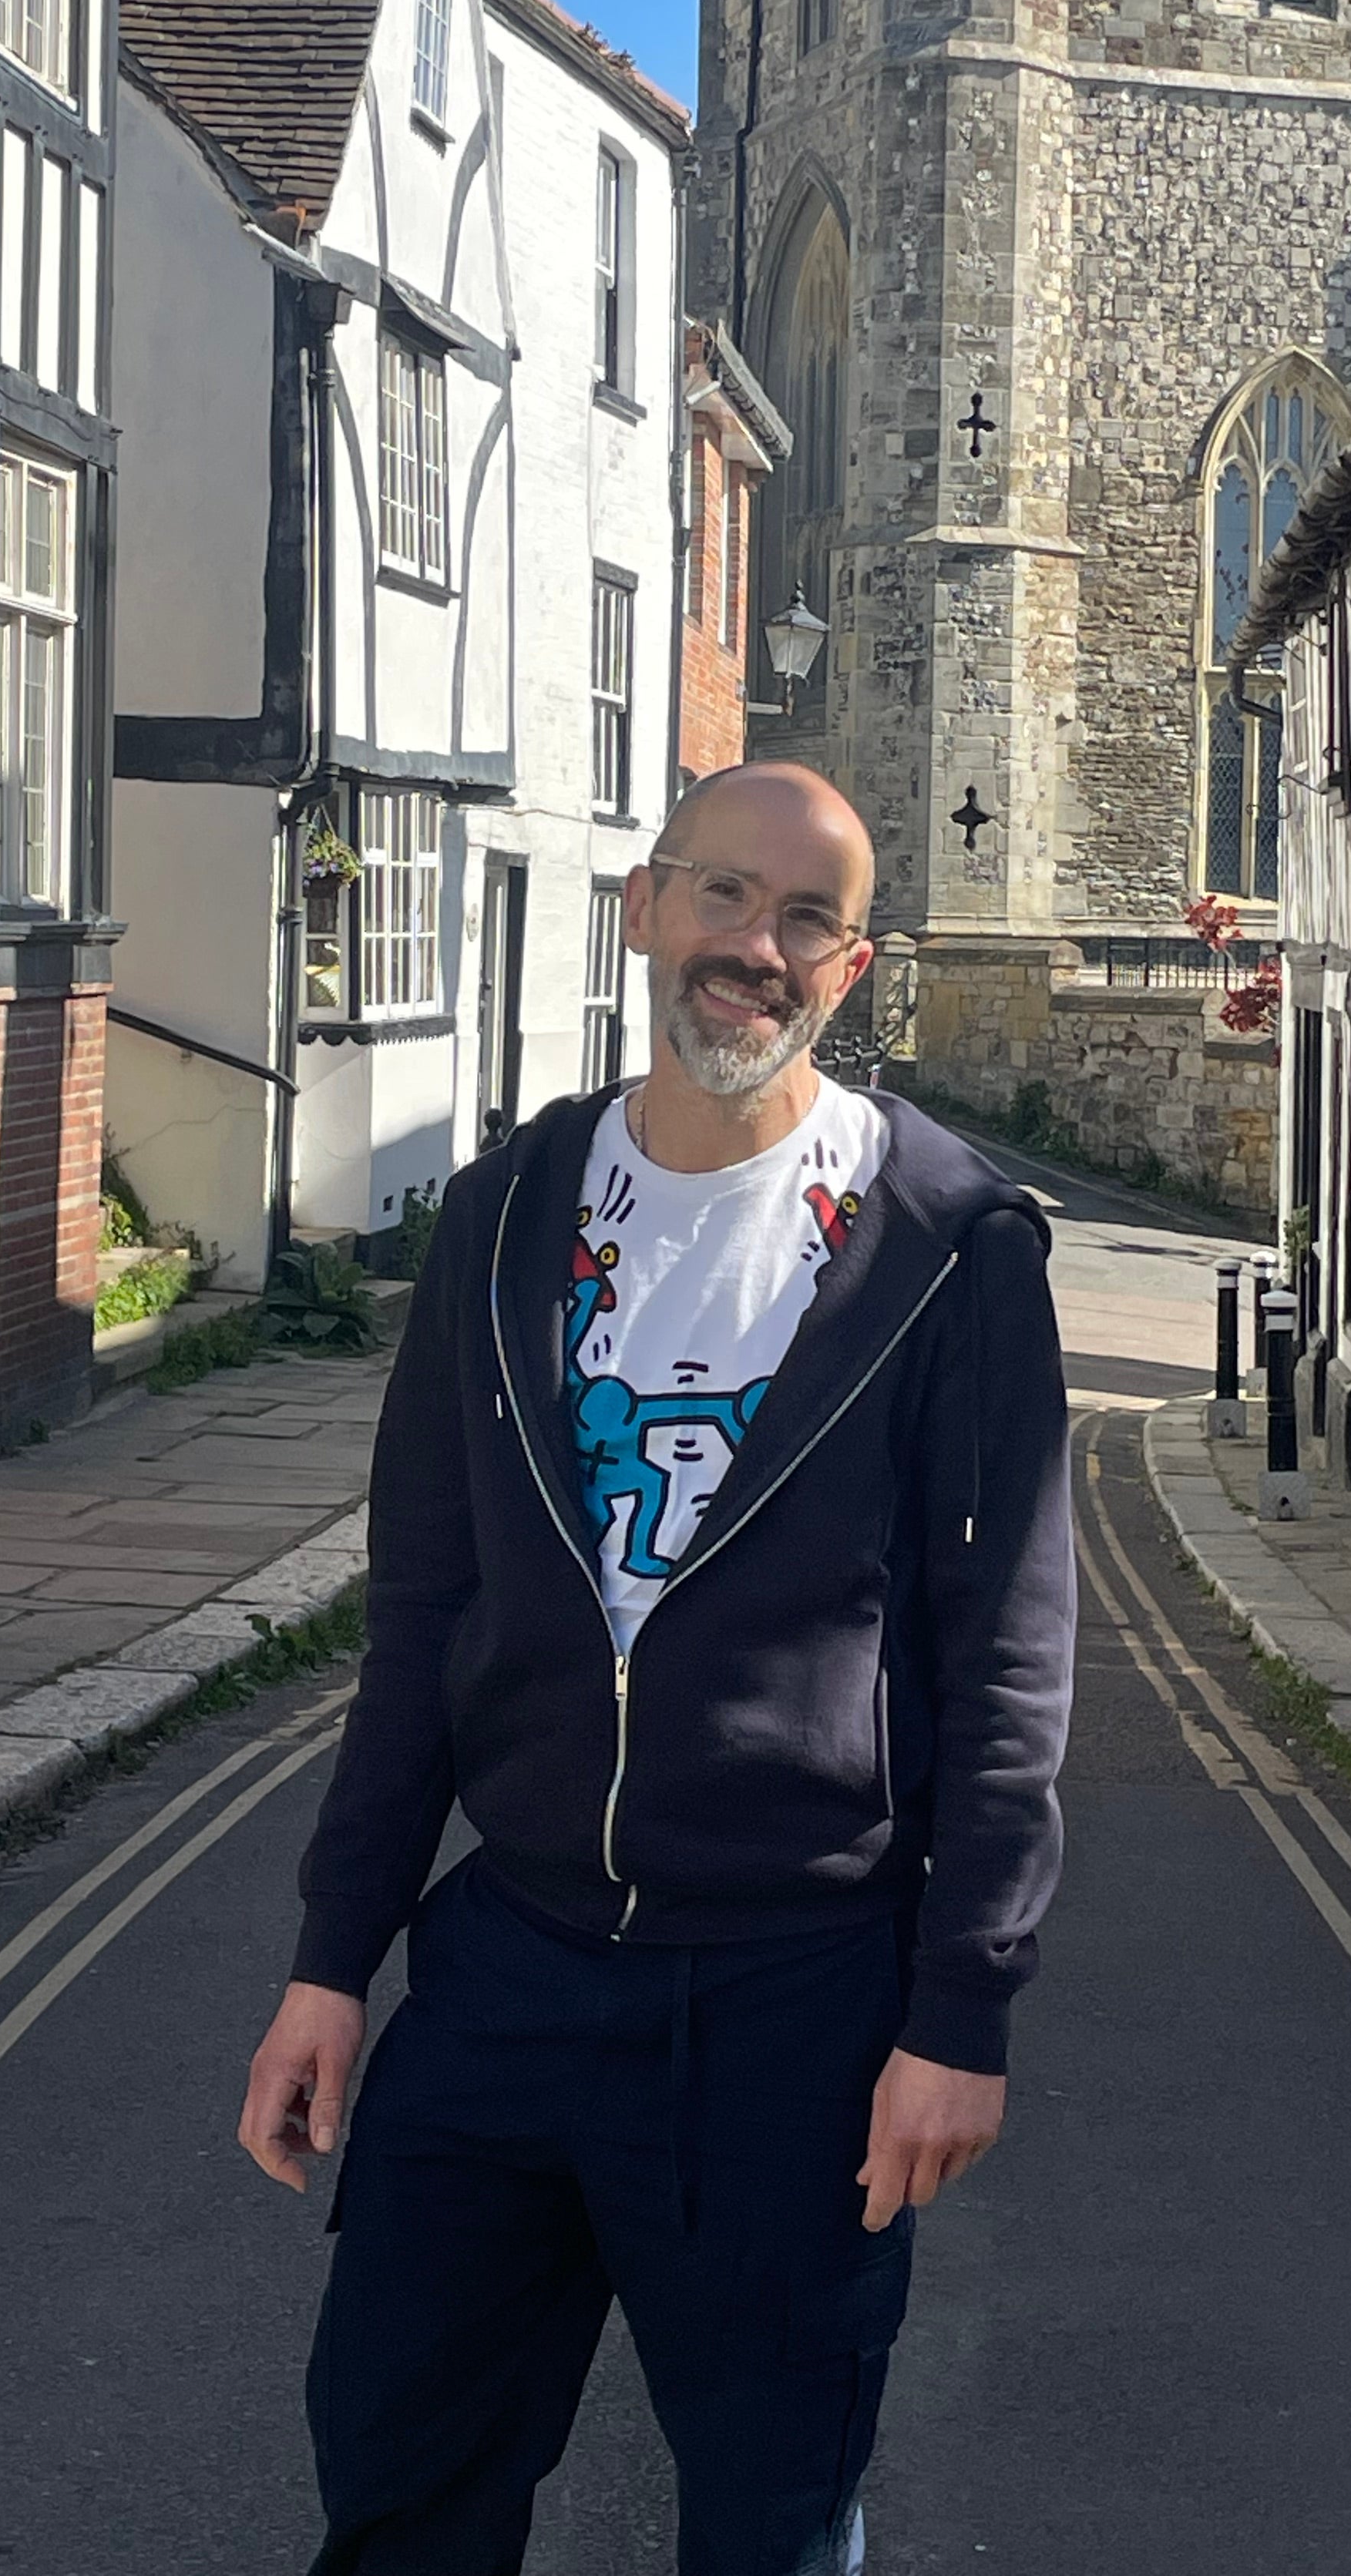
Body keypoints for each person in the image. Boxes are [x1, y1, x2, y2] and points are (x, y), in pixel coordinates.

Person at [240, 761, 1075, 2576]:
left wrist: (961, 2016)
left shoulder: (951, 1249)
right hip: (511, 1971)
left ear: (852, 969)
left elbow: (1008, 1661)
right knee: (397, 2480)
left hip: (796, 2005)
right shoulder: (503, 1218)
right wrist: (332, 1962)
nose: (756, 948)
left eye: (807, 920)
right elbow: (420, 1616)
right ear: (644, 905)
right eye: (724, 895)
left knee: (772, 2523)